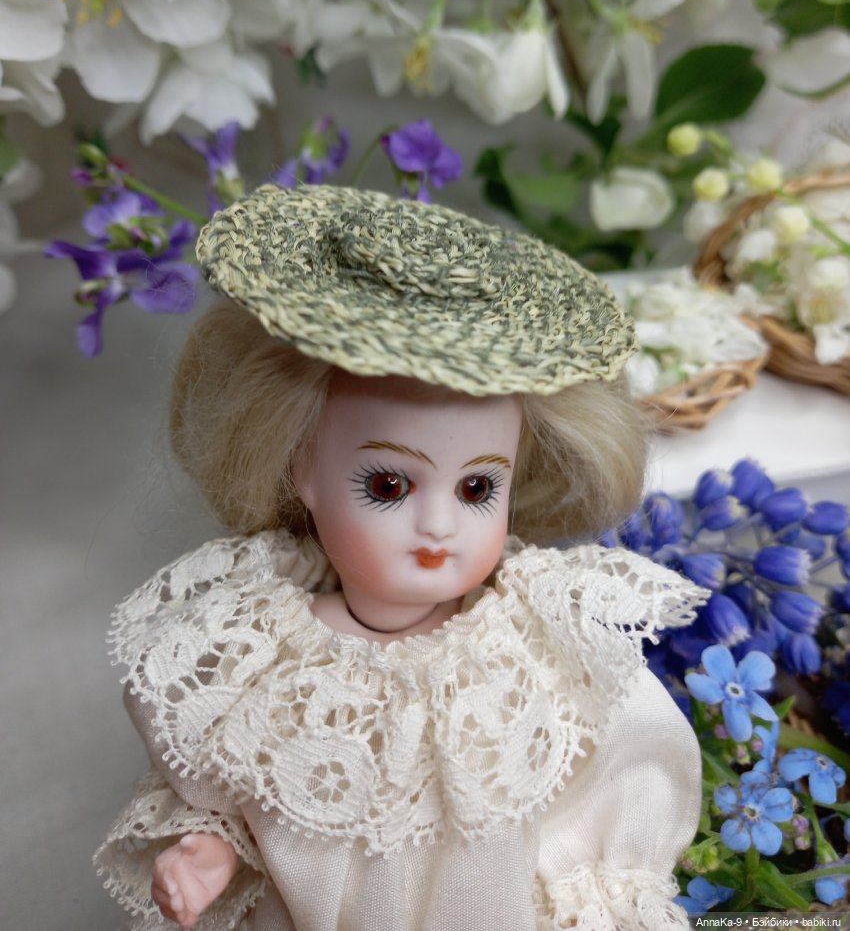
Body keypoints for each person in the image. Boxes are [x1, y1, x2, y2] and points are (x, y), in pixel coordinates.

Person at [95, 184, 708, 930]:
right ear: (300, 468)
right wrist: (210, 848)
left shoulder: (530, 645)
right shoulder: (260, 654)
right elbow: (234, 786)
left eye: (478, 487)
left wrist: (589, 892)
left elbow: (614, 768)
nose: (439, 526)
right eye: (389, 485)